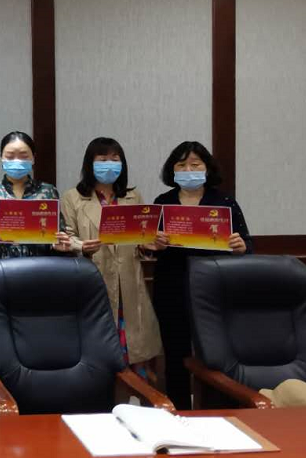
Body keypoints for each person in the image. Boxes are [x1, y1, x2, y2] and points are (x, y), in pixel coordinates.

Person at [150, 141, 252, 410]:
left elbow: (247, 244)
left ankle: (217, 411)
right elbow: (147, 246)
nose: (188, 170)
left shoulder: (224, 202)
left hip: (213, 288)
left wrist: (240, 246)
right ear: (172, 170)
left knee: (215, 354)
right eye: (181, 165)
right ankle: (179, 412)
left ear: (207, 168)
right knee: (176, 354)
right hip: (172, 287)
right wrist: (153, 244)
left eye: (195, 164)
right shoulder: (163, 202)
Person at [61, 137, 163, 381]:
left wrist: (149, 245)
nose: (109, 164)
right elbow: (66, 235)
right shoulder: (73, 197)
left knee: (135, 350)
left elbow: (141, 239)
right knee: (98, 351)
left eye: (115, 159)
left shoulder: (132, 196)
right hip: (93, 277)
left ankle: (134, 394)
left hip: (129, 281)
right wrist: (81, 246)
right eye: (102, 159)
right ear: (90, 163)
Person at [0, 131, 72, 258]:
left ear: (33, 158)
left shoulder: (48, 191)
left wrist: (60, 242)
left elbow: (59, 231)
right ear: (1, 157)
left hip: (41, 264)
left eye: (24, 156)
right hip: (1, 265)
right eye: (10, 156)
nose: (17, 161)